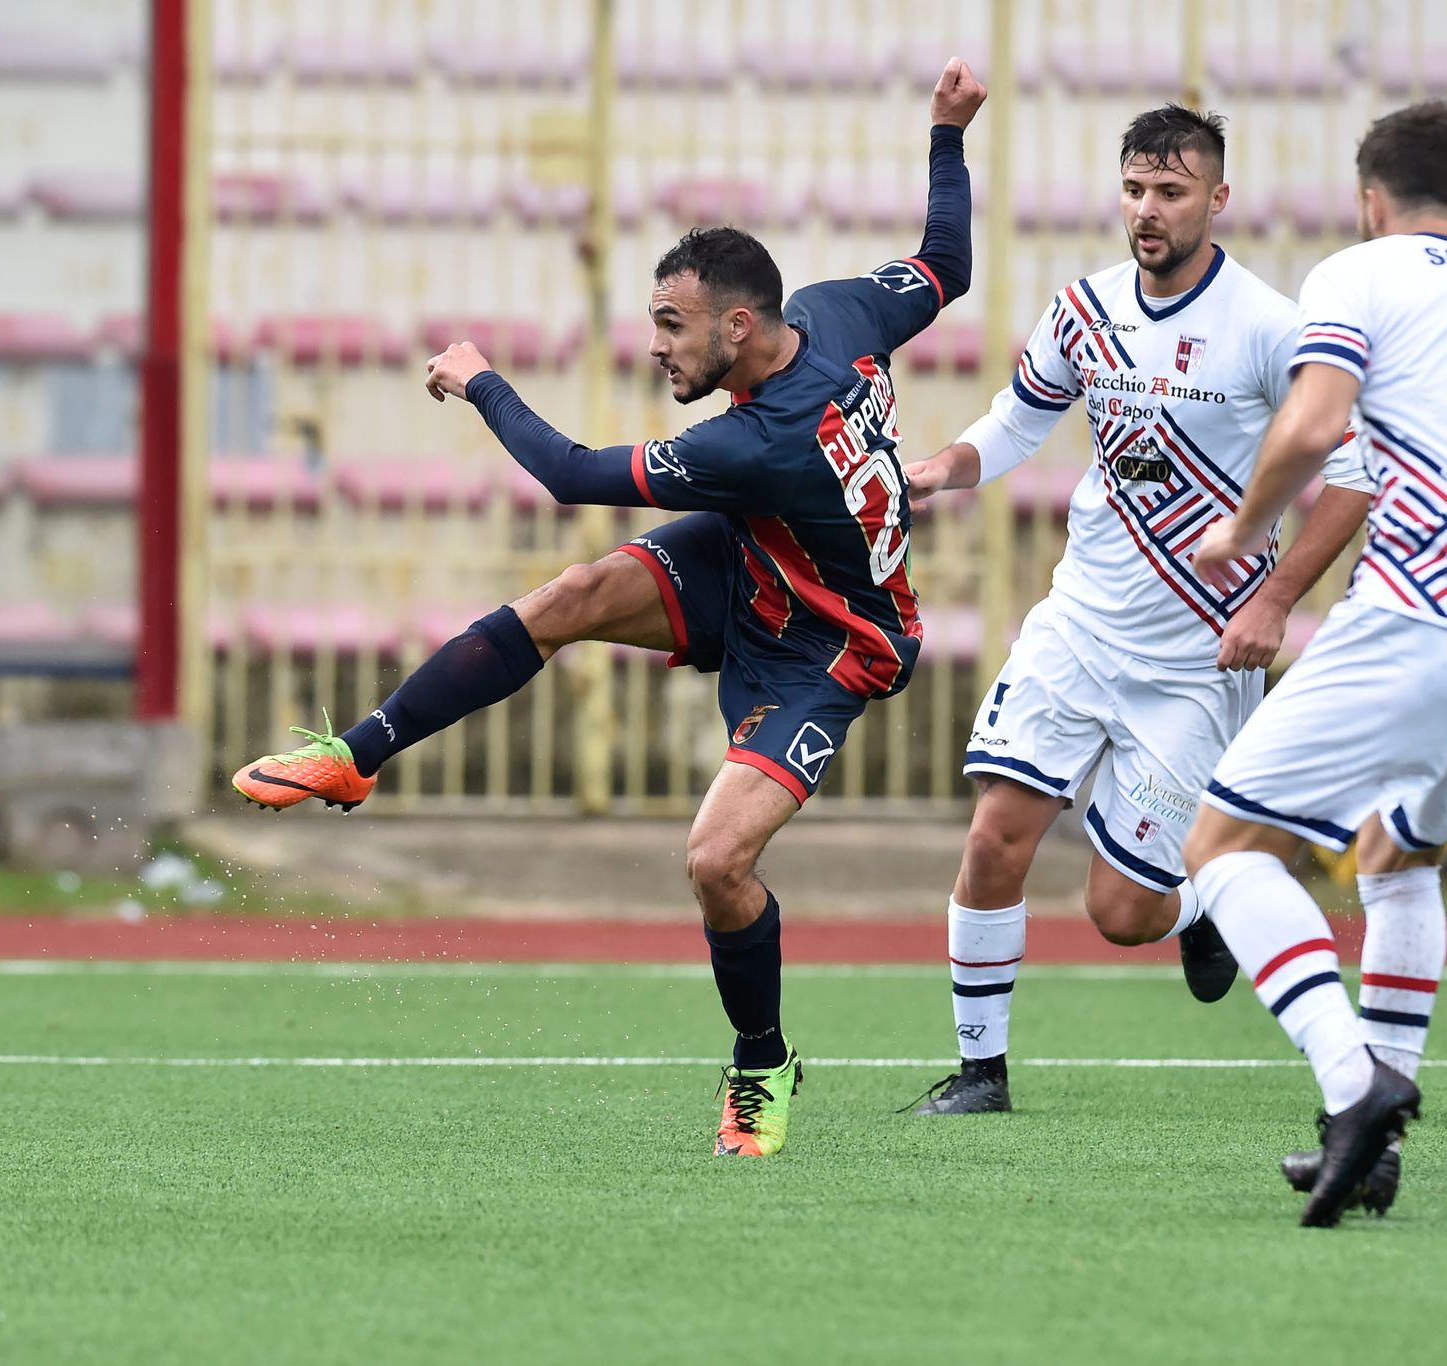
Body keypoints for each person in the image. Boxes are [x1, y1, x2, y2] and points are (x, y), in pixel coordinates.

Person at [232, 60, 988, 1157]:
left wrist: (479, 379)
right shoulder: (837, 311)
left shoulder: (753, 438)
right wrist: (945, 134)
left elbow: (573, 471)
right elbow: (946, 263)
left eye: (671, 325)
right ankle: (359, 752)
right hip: (755, 555)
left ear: (736, 325)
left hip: (837, 643)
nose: (655, 345)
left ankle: (760, 1062)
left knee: (715, 863)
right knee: (572, 594)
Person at [894, 106, 1375, 1115]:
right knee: (992, 836)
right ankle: (981, 1070)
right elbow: (1017, 419)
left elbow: (1352, 473)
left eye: (1169, 191)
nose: (1146, 211)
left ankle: (1197, 901)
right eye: (1132, 190)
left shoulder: (1267, 327)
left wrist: (1279, 600)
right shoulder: (1082, 309)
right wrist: (949, 465)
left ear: (1215, 199)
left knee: (1117, 912)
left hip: (1196, 662)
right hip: (1077, 627)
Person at [1187, 100, 1447, 1227]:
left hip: (1418, 614)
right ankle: (1372, 1156)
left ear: (1368, 199)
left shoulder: (1363, 270)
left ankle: (1353, 1082)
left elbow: (1309, 426)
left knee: (1219, 846)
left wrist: (1243, 530)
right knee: (1396, 856)